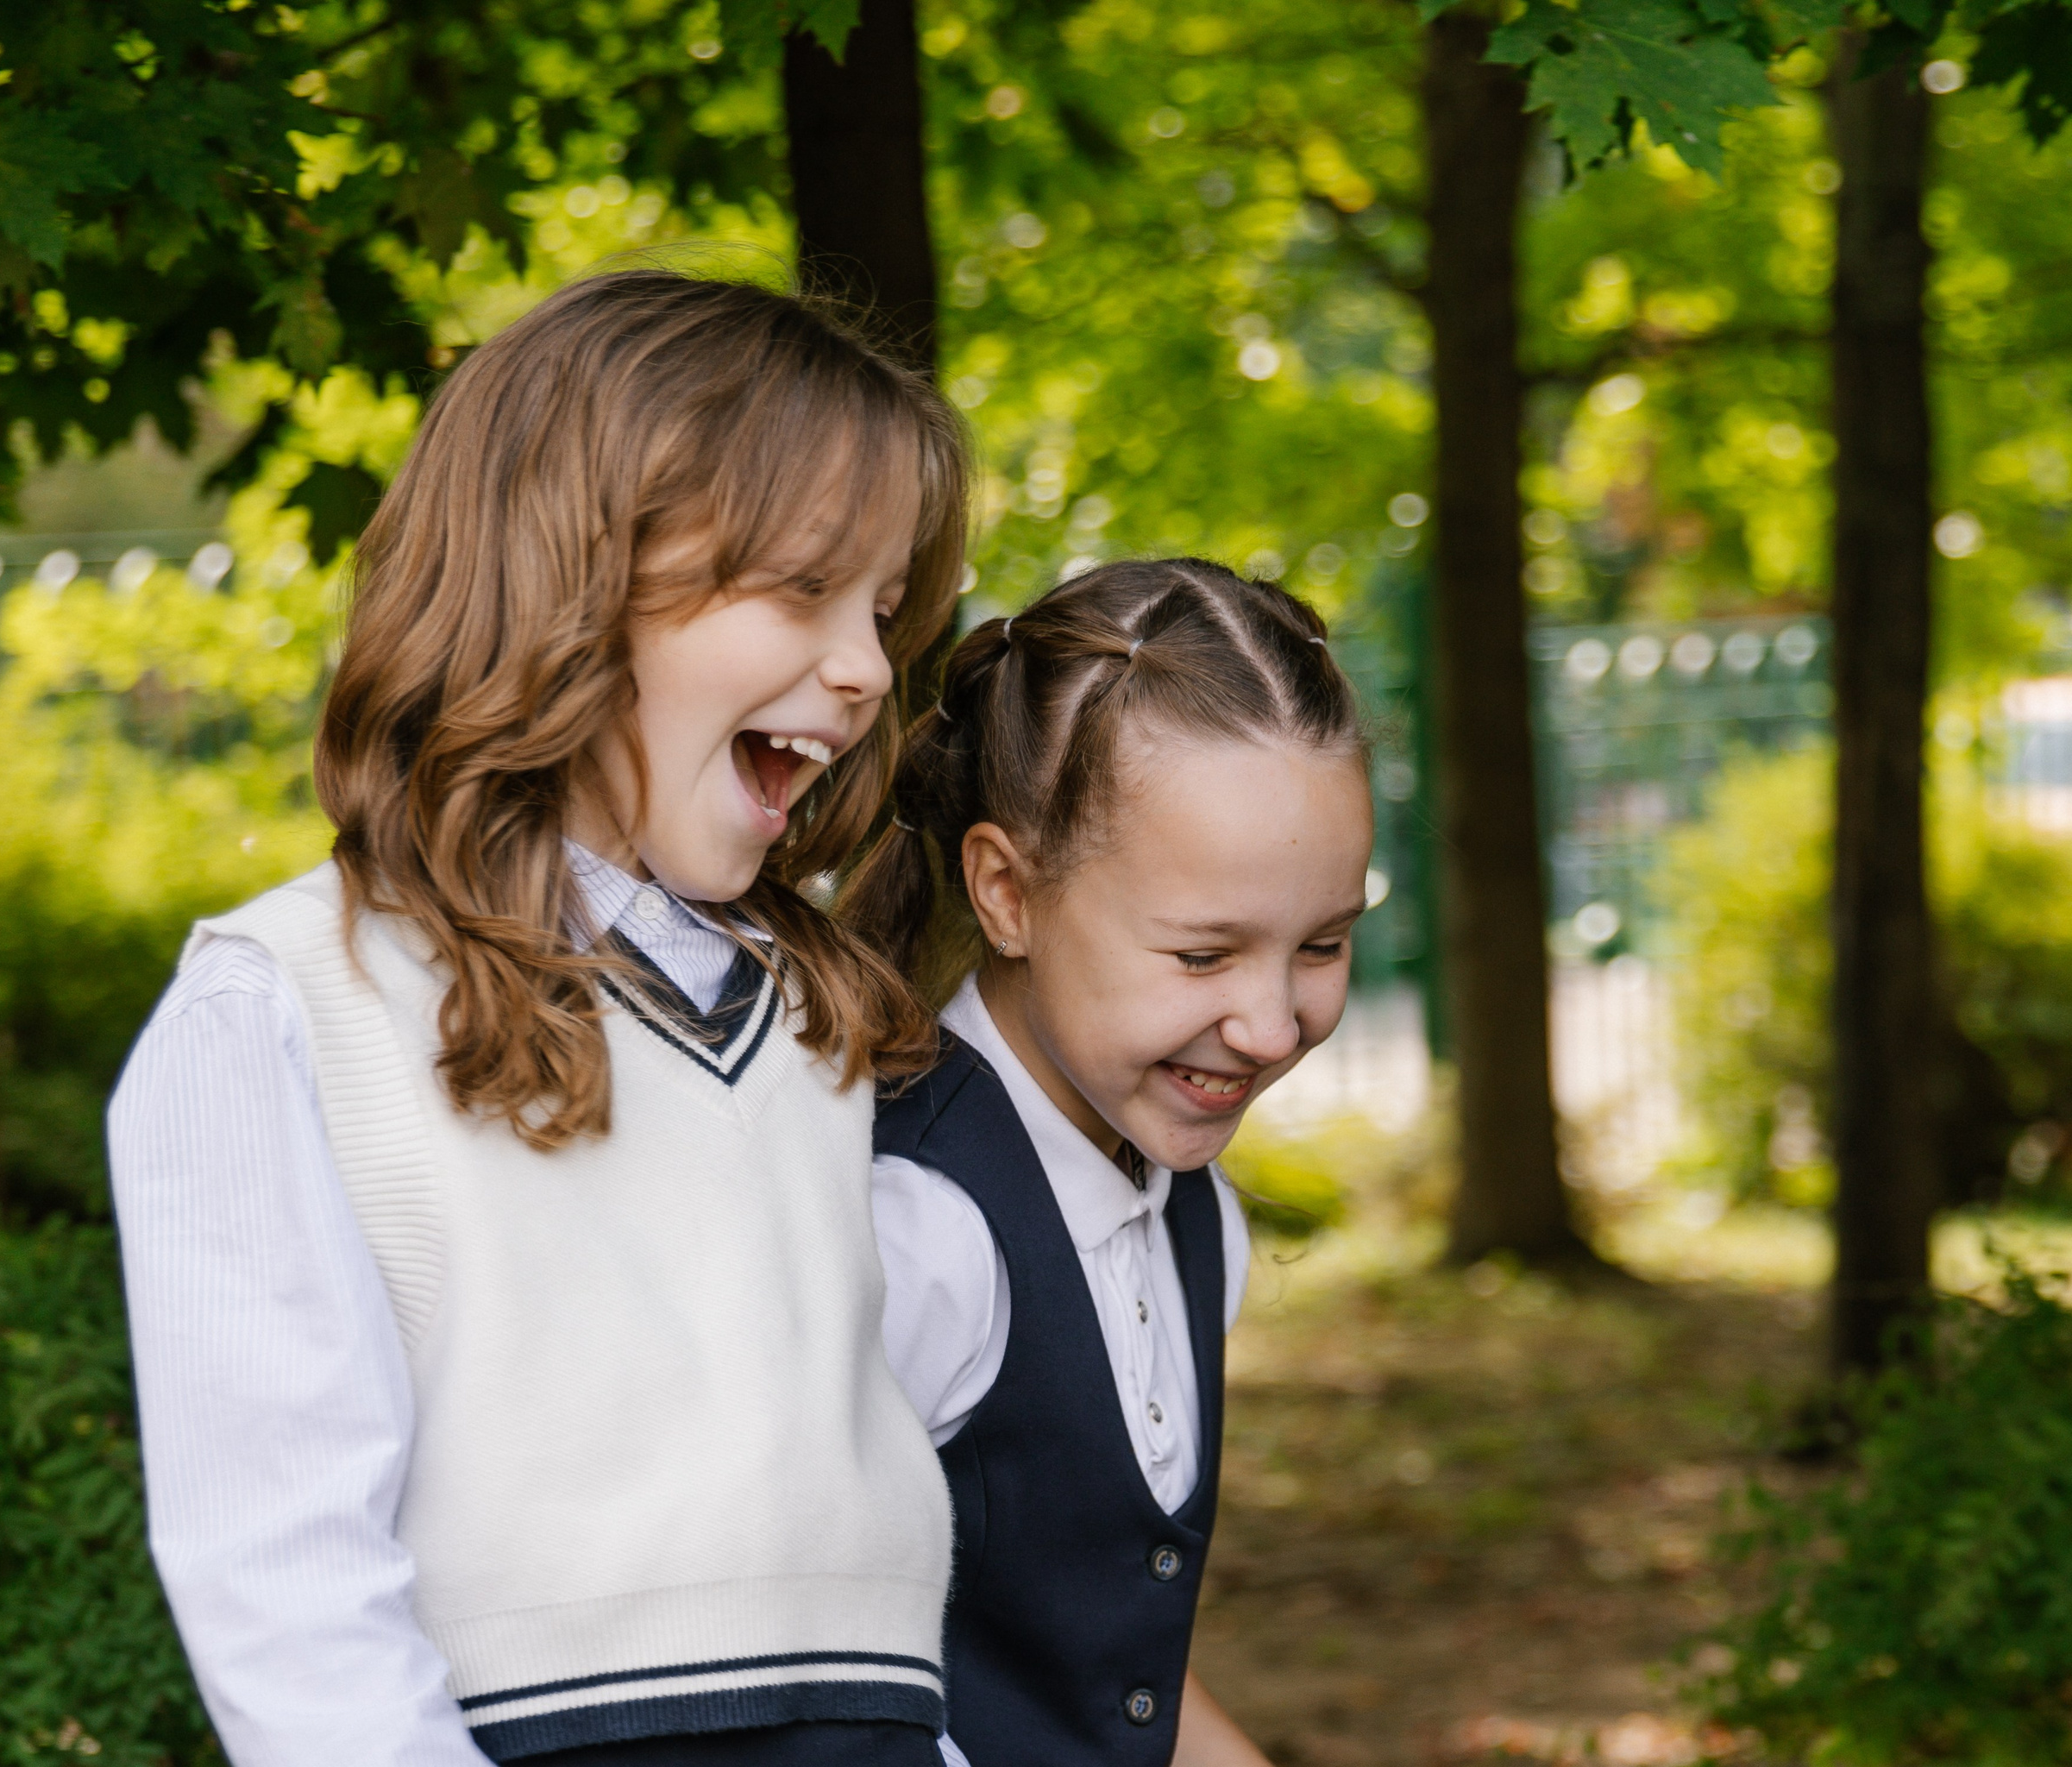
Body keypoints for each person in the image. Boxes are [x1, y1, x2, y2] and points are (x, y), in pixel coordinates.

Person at [108, 272, 972, 1767]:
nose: (867, 669)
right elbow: (291, 1603)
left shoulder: (819, 1016)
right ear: (568, 577)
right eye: (802, 589)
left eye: (885, 613)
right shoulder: (288, 1004)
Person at [842, 559, 1375, 1767]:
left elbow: (1105, 1677)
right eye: (1202, 956)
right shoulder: (914, 1234)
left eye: (1323, 944)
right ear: (1006, 892)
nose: (1271, 1028)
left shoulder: (1195, 1213)